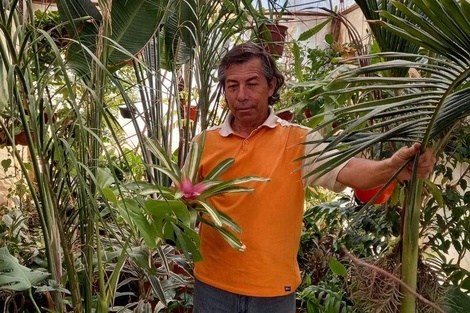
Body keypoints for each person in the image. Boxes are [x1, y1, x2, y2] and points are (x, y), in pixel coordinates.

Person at [191, 42, 436, 313]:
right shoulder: (204, 143)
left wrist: (393, 167)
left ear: (271, 86)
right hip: (212, 286)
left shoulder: (298, 140)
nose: (241, 95)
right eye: (232, 86)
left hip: (273, 292)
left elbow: (347, 169)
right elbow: (182, 201)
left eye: (252, 83)